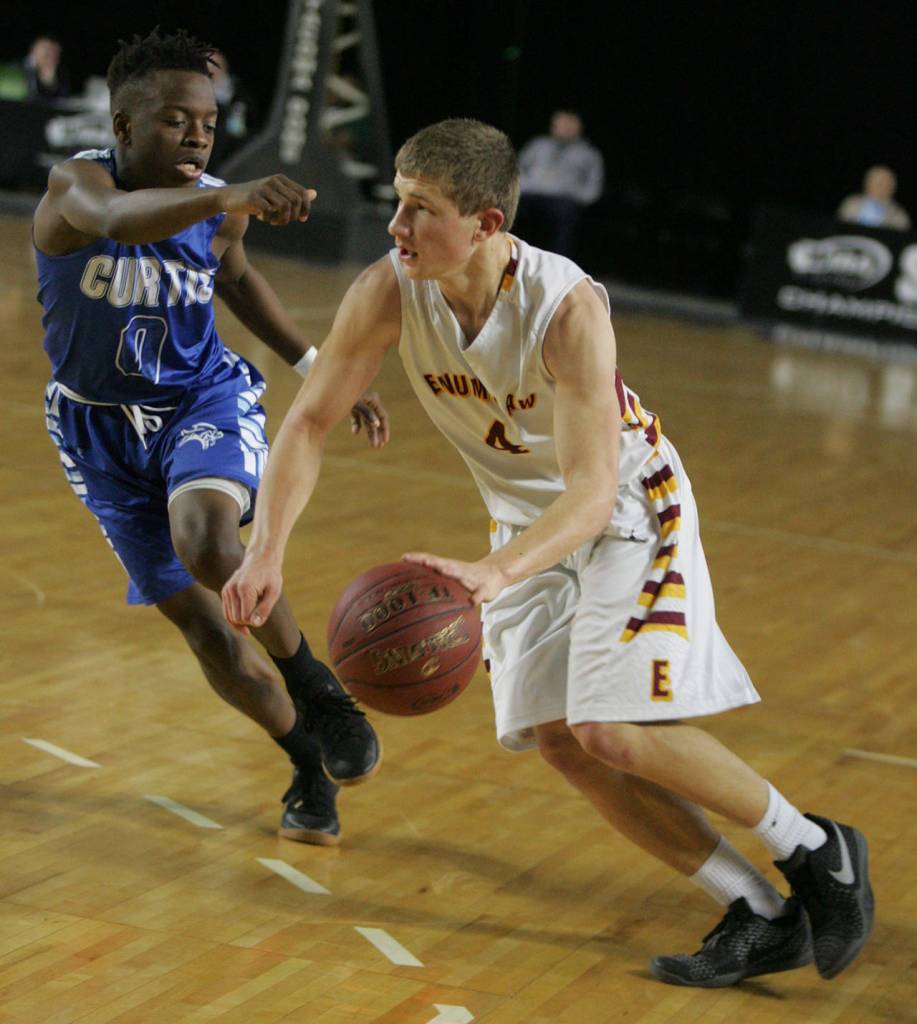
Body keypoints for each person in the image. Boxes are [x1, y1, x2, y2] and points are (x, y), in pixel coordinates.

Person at [222, 117, 874, 987]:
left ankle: (816, 848)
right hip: (520, 523)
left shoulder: (565, 308)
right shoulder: (387, 290)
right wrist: (265, 552)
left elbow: (591, 492)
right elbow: (306, 420)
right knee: (563, 742)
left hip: (626, 511)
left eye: (420, 210)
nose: (396, 227)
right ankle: (757, 908)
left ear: (486, 224)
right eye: (396, 202)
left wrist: (493, 576)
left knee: (609, 726)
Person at [32, 27, 387, 847]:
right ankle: (304, 758)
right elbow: (121, 219)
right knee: (209, 635)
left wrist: (317, 364)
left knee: (205, 537)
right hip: (95, 430)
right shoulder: (75, 187)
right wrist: (228, 196)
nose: (197, 134)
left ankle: (321, 693)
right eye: (174, 121)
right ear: (123, 127)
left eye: (207, 121)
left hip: (201, 401)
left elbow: (235, 278)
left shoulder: (218, 205)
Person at [516, 110, 603, 257]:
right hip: (530, 195)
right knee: (511, 209)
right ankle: (513, 256)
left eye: (569, 125)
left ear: (579, 128)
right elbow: (517, 169)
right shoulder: (537, 145)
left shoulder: (588, 153)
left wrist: (578, 198)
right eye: (560, 125)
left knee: (566, 216)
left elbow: (594, 186)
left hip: (563, 201)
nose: (564, 129)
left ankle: (558, 263)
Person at [207, 50, 258, 171]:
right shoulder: (198, 93)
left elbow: (251, 122)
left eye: (215, 66)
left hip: (234, 156)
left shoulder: (240, 95)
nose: (212, 71)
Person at [837, 165, 911, 231]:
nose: (881, 186)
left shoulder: (898, 213)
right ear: (867, 183)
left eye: (886, 183)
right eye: (878, 182)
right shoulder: (851, 203)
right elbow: (839, 227)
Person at [24, 35, 71, 101]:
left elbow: (62, 98)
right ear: (33, 50)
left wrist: (49, 79)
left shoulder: (61, 72)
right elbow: (30, 97)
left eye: (56, 52)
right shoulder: (21, 70)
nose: (51, 55)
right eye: (46, 49)